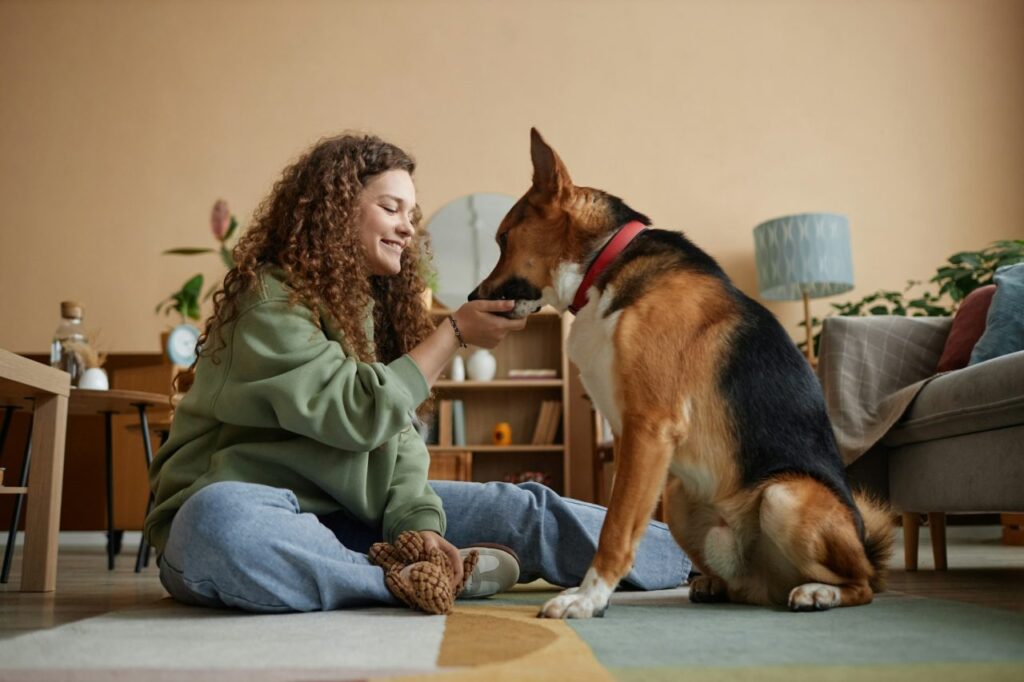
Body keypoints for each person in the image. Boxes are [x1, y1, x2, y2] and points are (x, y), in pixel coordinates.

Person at [144, 133, 691, 612]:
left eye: (412, 214)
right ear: (335, 211)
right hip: (251, 510)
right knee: (221, 525)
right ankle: (399, 582)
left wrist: (420, 528)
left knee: (526, 509)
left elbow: (399, 446)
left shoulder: (378, 310)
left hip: (355, 518)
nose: (408, 228)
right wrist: (452, 335)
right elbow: (355, 414)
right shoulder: (268, 300)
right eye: (391, 208)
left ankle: (711, 559)